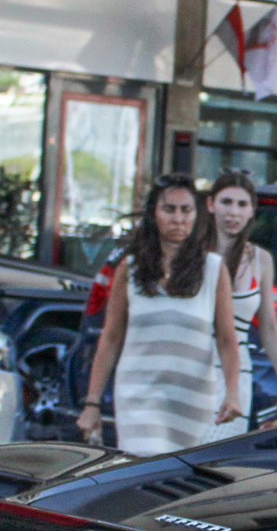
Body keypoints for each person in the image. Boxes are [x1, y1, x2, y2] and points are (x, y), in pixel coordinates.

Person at [77, 174, 241, 454]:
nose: (178, 218)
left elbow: (227, 338)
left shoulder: (213, 269)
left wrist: (233, 393)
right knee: (141, 472)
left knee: (180, 487)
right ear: (154, 214)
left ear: (196, 215)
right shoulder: (130, 269)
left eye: (186, 210)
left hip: (192, 400)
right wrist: (92, 403)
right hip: (138, 397)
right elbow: (111, 338)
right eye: (169, 209)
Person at [205, 169, 277, 439]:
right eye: (226, 202)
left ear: (252, 210)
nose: (234, 212)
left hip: (237, 376)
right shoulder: (193, 254)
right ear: (211, 205)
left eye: (242, 204)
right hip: (193, 367)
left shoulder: (261, 259)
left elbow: (268, 324)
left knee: (220, 461)